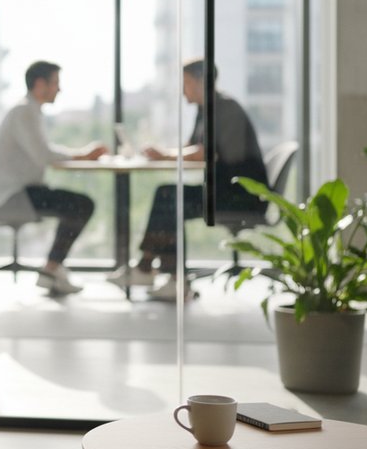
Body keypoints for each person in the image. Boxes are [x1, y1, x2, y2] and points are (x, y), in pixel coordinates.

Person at [108, 58, 269, 298]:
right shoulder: (206, 110)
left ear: (199, 82)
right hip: (223, 191)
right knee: (168, 194)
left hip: (241, 196)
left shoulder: (225, 109)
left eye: (185, 83)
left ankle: (157, 272)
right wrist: (164, 154)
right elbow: (193, 147)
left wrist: (165, 155)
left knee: (171, 197)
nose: (182, 90)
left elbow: (205, 152)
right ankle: (164, 275)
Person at [0, 60, 108, 295]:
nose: (59, 89)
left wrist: (81, 156)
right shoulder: (24, 112)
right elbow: (44, 155)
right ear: (40, 84)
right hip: (14, 196)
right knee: (82, 205)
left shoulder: (27, 111)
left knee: (78, 204)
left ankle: (52, 269)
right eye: (55, 83)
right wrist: (83, 155)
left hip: (19, 191)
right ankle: (51, 270)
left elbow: (43, 152)